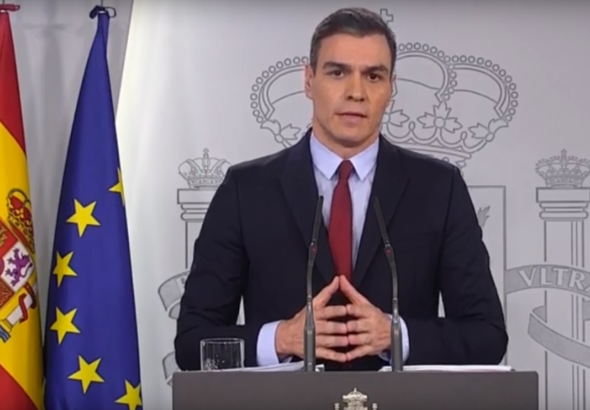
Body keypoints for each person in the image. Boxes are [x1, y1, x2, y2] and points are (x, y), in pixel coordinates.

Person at [175, 7, 508, 372]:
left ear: (391, 88)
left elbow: (487, 335)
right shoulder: (246, 191)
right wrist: (281, 339)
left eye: (373, 76)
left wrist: (396, 336)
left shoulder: (439, 189)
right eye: (338, 73)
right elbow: (193, 342)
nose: (356, 93)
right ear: (308, 80)